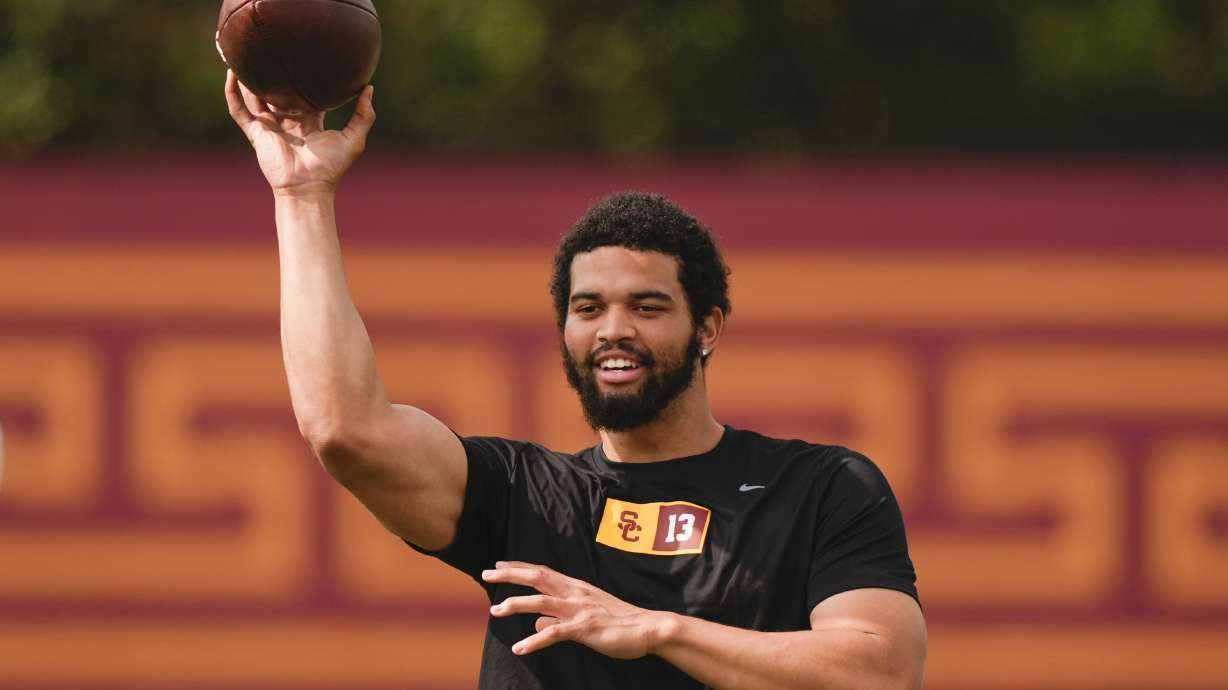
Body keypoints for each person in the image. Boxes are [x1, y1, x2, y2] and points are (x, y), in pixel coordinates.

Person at [225, 71, 927, 689]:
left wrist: (656, 629)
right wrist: (302, 193)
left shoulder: (818, 488)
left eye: (647, 307)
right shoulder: (520, 499)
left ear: (708, 328)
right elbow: (345, 430)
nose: (612, 330)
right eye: (588, 309)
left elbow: (882, 672)